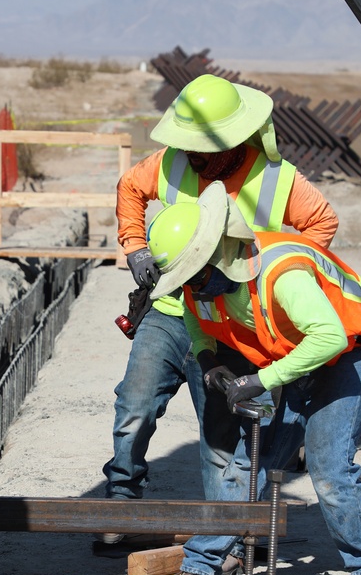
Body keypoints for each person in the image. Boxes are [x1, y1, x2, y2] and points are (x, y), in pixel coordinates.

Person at [102, 74, 339, 548]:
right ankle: (121, 504)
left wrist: (279, 284)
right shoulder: (170, 164)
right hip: (171, 312)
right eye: (185, 145)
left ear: (231, 142)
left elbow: (322, 222)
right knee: (134, 407)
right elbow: (130, 186)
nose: (190, 156)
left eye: (201, 148)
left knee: (219, 434)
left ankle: (221, 536)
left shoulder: (276, 179)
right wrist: (134, 245)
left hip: (231, 324)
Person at [145, 181, 361, 575]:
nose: (190, 288)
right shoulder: (203, 282)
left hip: (346, 353)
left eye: (194, 278)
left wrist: (261, 381)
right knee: (251, 461)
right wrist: (209, 360)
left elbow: (328, 336)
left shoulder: (282, 274)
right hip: (288, 355)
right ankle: (205, 561)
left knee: (328, 466)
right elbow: (195, 318)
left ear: (219, 254)